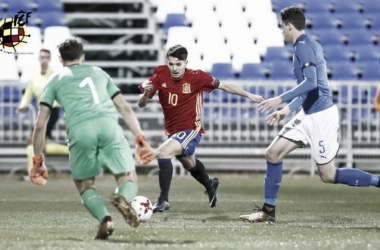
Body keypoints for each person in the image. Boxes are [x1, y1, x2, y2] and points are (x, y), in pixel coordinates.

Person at [240, 6, 380, 223]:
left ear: (288, 25)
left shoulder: (303, 47)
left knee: (328, 175)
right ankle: (268, 211)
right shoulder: (308, 45)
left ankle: (377, 181)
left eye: (282, 27)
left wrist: (280, 99)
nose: (282, 32)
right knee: (273, 153)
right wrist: (288, 109)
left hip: (321, 116)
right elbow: (309, 89)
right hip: (307, 112)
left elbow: (312, 83)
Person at [30, 38, 155, 239]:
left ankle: (105, 219)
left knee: (85, 186)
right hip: (108, 126)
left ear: (60, 59)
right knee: (128, 177)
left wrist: (37, 160)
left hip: (80, 131)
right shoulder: (99, 72)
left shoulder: (53, 80)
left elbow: (40, 124)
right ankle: (123, 197)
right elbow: (125, 107)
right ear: (83, 57)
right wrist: (140, 139)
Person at [138, 45, 264, 213]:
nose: (174, 68)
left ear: (186, 63)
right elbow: (141, 104)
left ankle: (163, 200)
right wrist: (146, 95)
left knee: (162, 153)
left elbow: (225, 86)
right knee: (190, 164)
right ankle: (210, 184)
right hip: (174, 131)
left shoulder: (197, 77)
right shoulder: (160, 73)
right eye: (171, 64)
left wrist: (250, 96)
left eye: (178, 64)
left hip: (191, 129)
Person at [16, 49, 69, 179]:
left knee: (33, 141)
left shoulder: (54, 76)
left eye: (46, 57)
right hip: (42, 111)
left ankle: (34, 172)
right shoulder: (35, 78)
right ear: (39, 59)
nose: (44, 59)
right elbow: (28, 93)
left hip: (52, 110)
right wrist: (22, 106)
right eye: (42, 57)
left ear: (49, 59)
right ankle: (74, 151)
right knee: (39, 143)